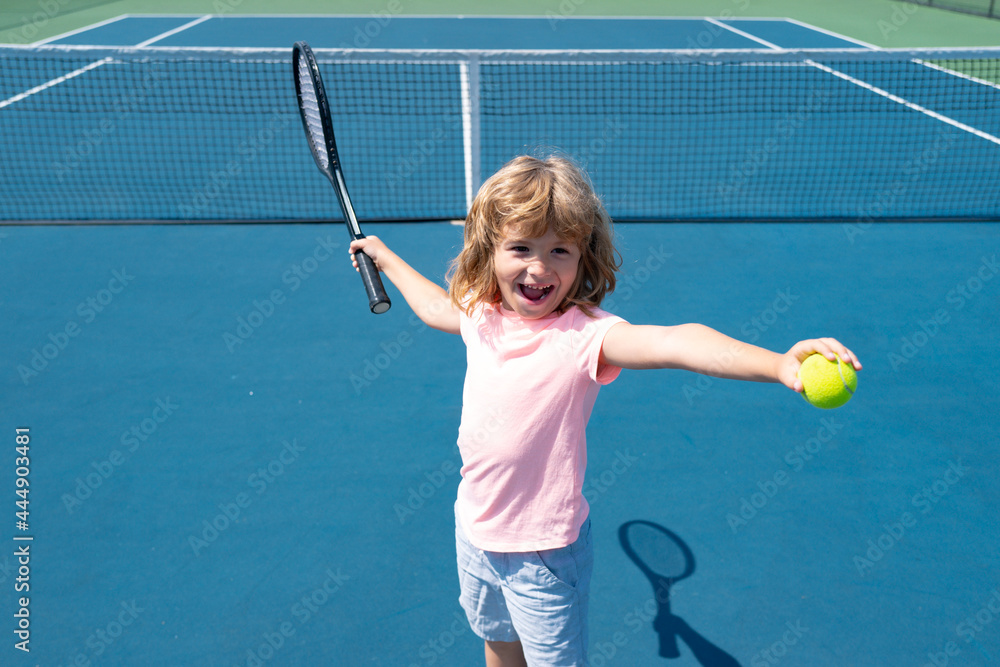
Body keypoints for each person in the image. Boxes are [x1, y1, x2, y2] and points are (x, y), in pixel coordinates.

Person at [349, 155, 861, 667]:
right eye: (521, 247)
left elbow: (678, 343)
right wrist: (384, 256)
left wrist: (777, 364)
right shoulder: (484, 316)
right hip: (475, 531)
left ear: (582, 258)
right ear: (490, 249)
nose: (539, 267)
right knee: (499, 643)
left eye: (559, 251)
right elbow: (440, 307)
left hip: (543, 552)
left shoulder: (585, 335)